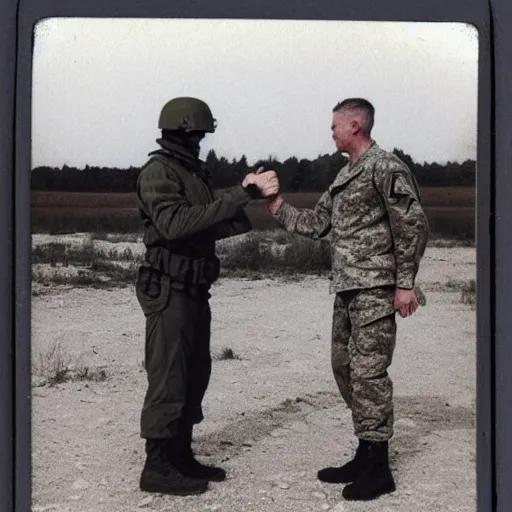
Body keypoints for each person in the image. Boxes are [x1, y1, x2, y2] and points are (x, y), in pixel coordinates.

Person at [266, 98, 429, 501]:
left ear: (355, 125)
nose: (331, 132)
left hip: (376, 288)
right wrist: (276, 205)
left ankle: (379, 468)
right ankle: (364, 452)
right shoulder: (346, 174)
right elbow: (318, 222)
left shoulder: (385, 167)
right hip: (347, 289)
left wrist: (405, 283)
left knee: (369, 373)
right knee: (345, 368)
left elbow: (412, 224)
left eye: (335, 125)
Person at [135, 97, 278, 496]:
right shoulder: (158, 172)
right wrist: (236, 195)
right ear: (183, 131)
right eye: (198, 134)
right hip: (169, 287)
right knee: (169, 376)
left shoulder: (190, 172)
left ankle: (180, 455)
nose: (200, 141)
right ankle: (157, 465)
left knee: (194, 373)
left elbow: (204, 222)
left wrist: (242, 201)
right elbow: (174, 223)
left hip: (194, 287)